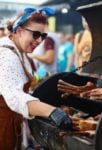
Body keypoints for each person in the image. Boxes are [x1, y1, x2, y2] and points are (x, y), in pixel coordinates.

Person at [0, 7, 72, 149]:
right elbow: (15, 97)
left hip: (11, 124)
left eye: (43, 36)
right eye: (35, 34)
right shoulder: (7, 56)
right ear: (19, 31)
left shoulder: (19, 51)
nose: (39, 40)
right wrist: (52, 111)